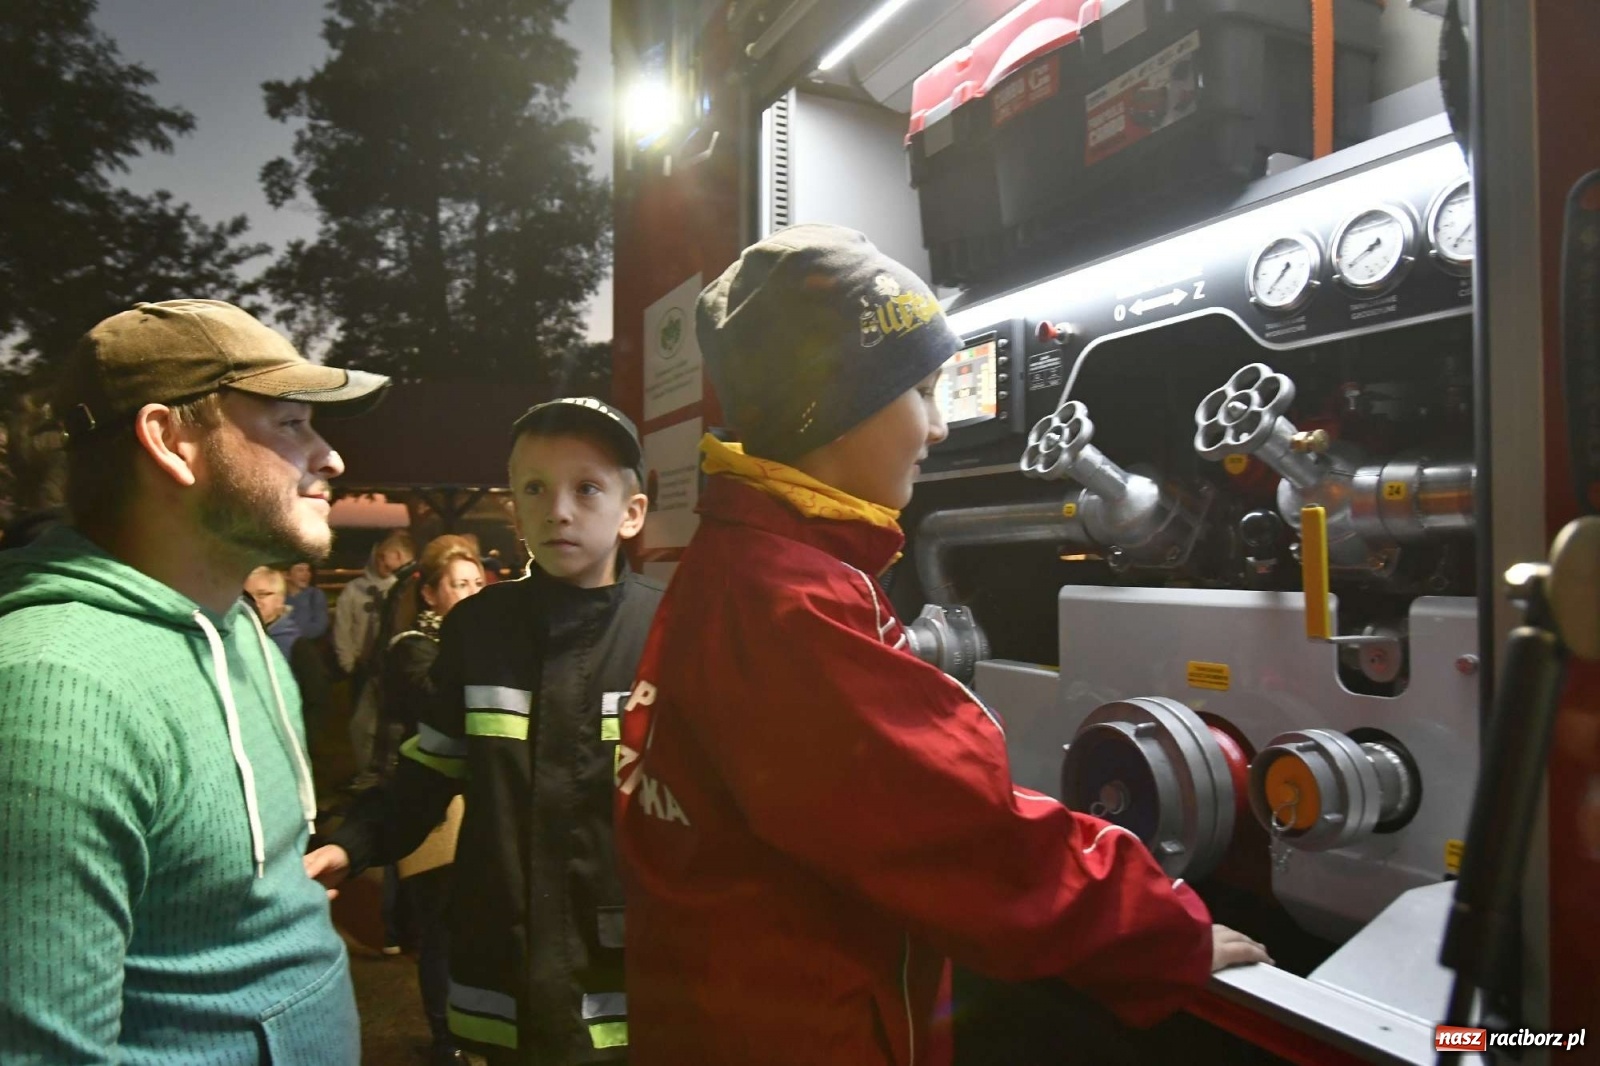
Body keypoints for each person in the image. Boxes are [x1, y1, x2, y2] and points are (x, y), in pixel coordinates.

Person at [613, 224, 1273, 1065]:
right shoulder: (791, 603)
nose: (939, 431)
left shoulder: (744, 565)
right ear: (834, 407)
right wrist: (1152, 929)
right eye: (922, 394)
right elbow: (957, 834)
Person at [0, 298, 388, 1064]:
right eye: (290, 423)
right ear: (171, 440)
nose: (331, 457)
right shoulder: (56, 688)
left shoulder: (238, 623)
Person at [306, 397, 665, 1065]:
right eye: (535, 488)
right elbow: (426, 771)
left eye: (587, 488)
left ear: (632, 513)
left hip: (621, 976)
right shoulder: (480, 629)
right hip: (504, 963)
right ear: (515, 510)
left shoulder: (669, 633)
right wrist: (351, 843)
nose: (559, 508)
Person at [374, 534, 487, 1066]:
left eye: (476, 583)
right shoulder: (412, 648)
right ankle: (447, 1038)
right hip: (430, 795)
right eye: (458, 584)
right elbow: (438, 702)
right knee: (440, 921)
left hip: (475, 793)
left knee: (472, 919)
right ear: (429, 594)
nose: (469, 593)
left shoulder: (475, 642)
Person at [334, 527, 414, 688]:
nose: (383, 563)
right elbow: (342, 627)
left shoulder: (401, 589)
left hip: (390, 666)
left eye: (387, 557)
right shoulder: (353, 589)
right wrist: (348, 663)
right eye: (380, 557)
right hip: (360, 664)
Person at [245, 564, 303, 659]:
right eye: (247, 596)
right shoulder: (234, 636)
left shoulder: (296, 645)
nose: (253, 602)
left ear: (280, 599)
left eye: (262, 595)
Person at [286, 559, 331, 641]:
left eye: (308, 570)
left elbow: (319, 627)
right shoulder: (279, 597)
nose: (306, 574)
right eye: (300, 570)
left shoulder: (315, 595)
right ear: (287, 575)